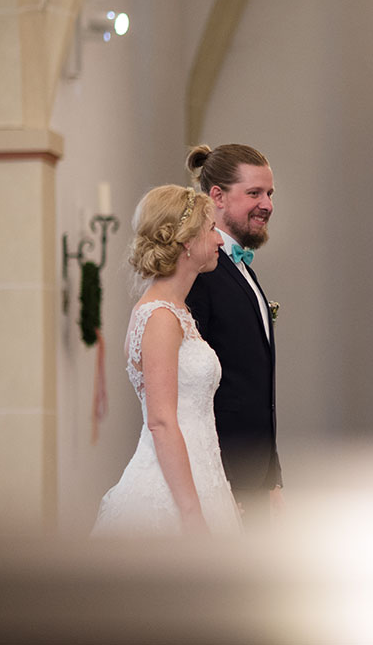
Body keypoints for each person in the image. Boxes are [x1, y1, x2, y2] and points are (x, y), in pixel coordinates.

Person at [93, 185, 242, 536]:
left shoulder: (178, 312)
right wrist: (190, 512)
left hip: (202, 471)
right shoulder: (159, 317)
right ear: (187, 241)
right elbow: (161, 421)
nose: (219, 240)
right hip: (170, 491)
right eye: (210, 229)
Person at [185, 143, 282, 528]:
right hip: (226, 477)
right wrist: (218, 484)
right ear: (218, 197)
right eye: (254, 193)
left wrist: (272, 478)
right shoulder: (201, 275)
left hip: (255, 476)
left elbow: (256, 391)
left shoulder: (243, 270)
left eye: (270, 194)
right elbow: (194, 387)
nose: (267, 205)